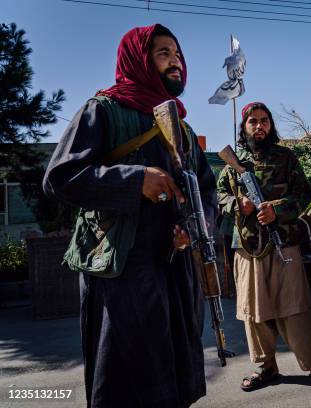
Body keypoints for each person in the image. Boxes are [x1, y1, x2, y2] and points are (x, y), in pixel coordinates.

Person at [42, 24, 216, 407]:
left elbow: (205, 189)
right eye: (163, 53)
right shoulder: (102, 110)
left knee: (173, 374)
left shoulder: (181, 128)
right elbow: (60, 178)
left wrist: (192, 227)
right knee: (125, 378)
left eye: (177, 54)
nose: (176, 62)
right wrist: (134, 179)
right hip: (120, 270)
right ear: (138, 59)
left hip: (173, 266)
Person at [216, 102, 311, 400]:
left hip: (284, 243)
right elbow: (219, 196)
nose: (259, 126)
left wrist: (277, 210)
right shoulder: (234, 162)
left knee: (295, 310)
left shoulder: (286, 157)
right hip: (248, 248)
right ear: (244, 127)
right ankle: (266, 367)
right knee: (254, 313)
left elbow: (304, 194)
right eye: (253, 122)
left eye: (264, 121)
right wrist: (238, 205)